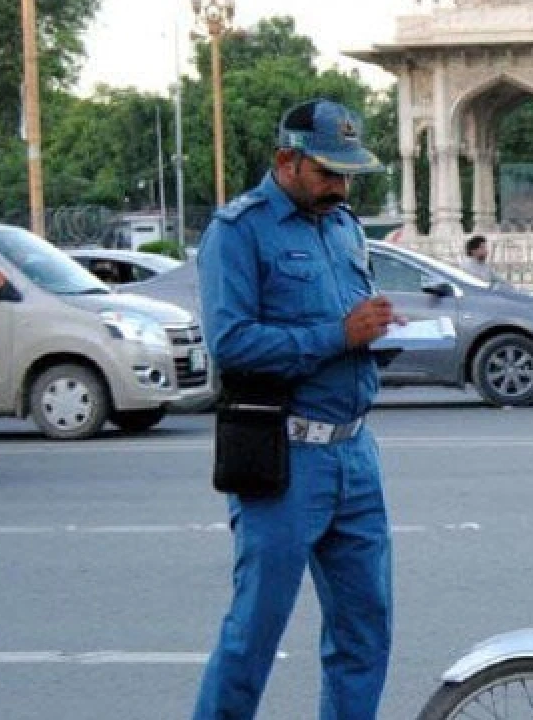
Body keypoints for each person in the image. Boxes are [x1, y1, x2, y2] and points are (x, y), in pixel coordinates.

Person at [192, 98, 396, 720]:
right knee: (254, 632)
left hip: (355, 453)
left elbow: (350, 325)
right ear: (287, 160)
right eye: (328, 172)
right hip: (286, 457)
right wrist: (339, 335)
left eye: (348, 175)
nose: (340, 187)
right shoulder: (238, 230)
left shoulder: (343, 228)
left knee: (365, 630)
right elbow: (231, 343)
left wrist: (377, 336)